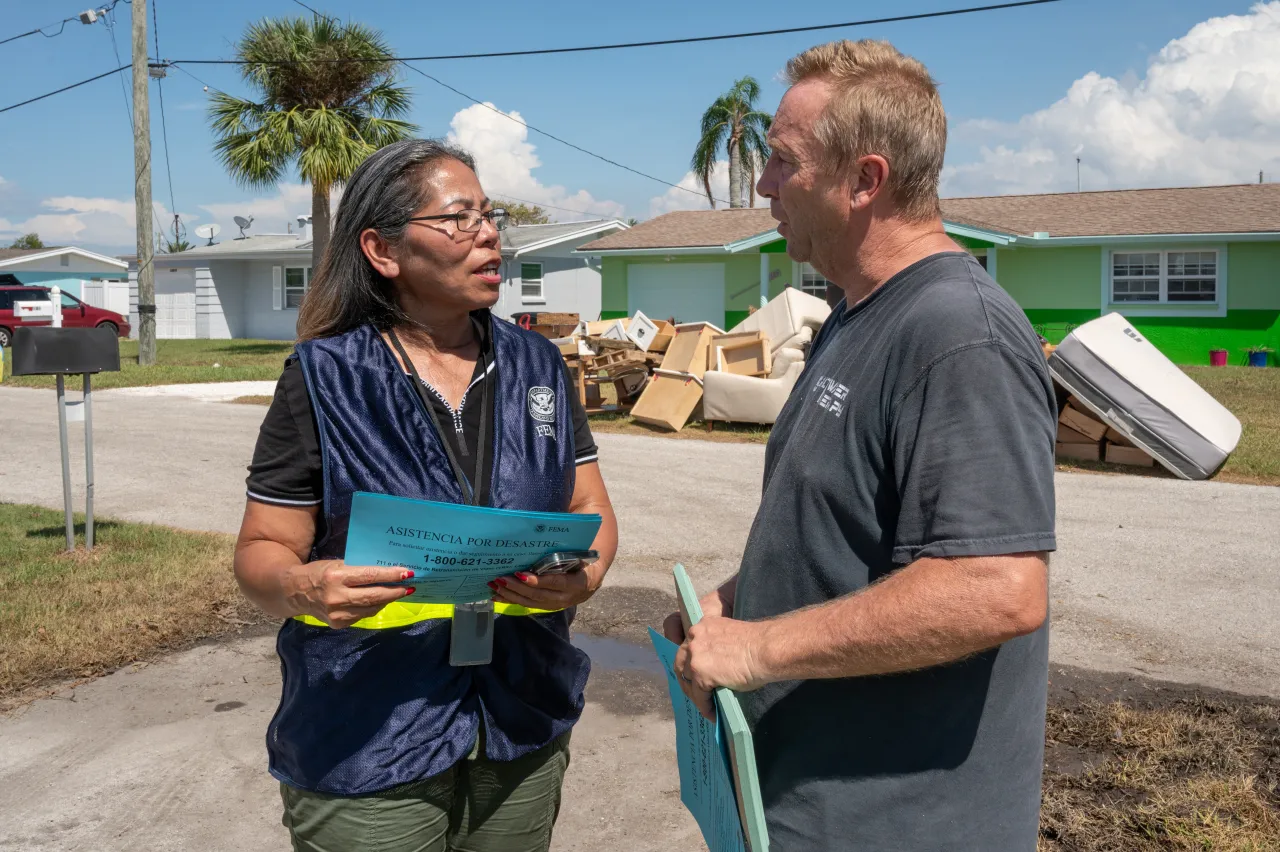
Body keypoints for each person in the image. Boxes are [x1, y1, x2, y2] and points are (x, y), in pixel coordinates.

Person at [664, 40, 1056, 851]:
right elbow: (843, 528)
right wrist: (737, 602)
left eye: (781, 162)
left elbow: (997, 587)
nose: (765, 186)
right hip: (804, 798)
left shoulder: (957, 334)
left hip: (899, 824)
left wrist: (761, 647)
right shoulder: (854, 313)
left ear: (864, 181)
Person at [234, 138, 618, 852]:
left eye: (489, 214)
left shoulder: (538, 363)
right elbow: (261, 551)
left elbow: (587, 510)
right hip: (367, 735)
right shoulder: (323, 378)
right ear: (383, 251)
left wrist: (584, 575)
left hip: (521, 721)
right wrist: (300, 584)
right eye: (458, 218)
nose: (488, 233)